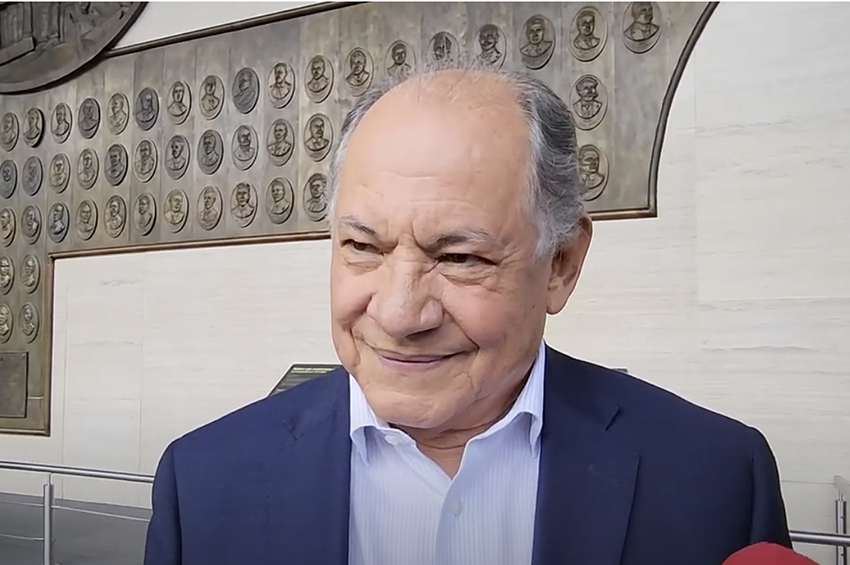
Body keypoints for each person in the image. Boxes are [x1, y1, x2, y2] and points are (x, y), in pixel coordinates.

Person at [144, 60, 790, 565]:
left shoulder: (714, 478)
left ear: (561, 264)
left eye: (459, 257)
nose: (400, 314)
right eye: (363, 247)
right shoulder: (203, 483)